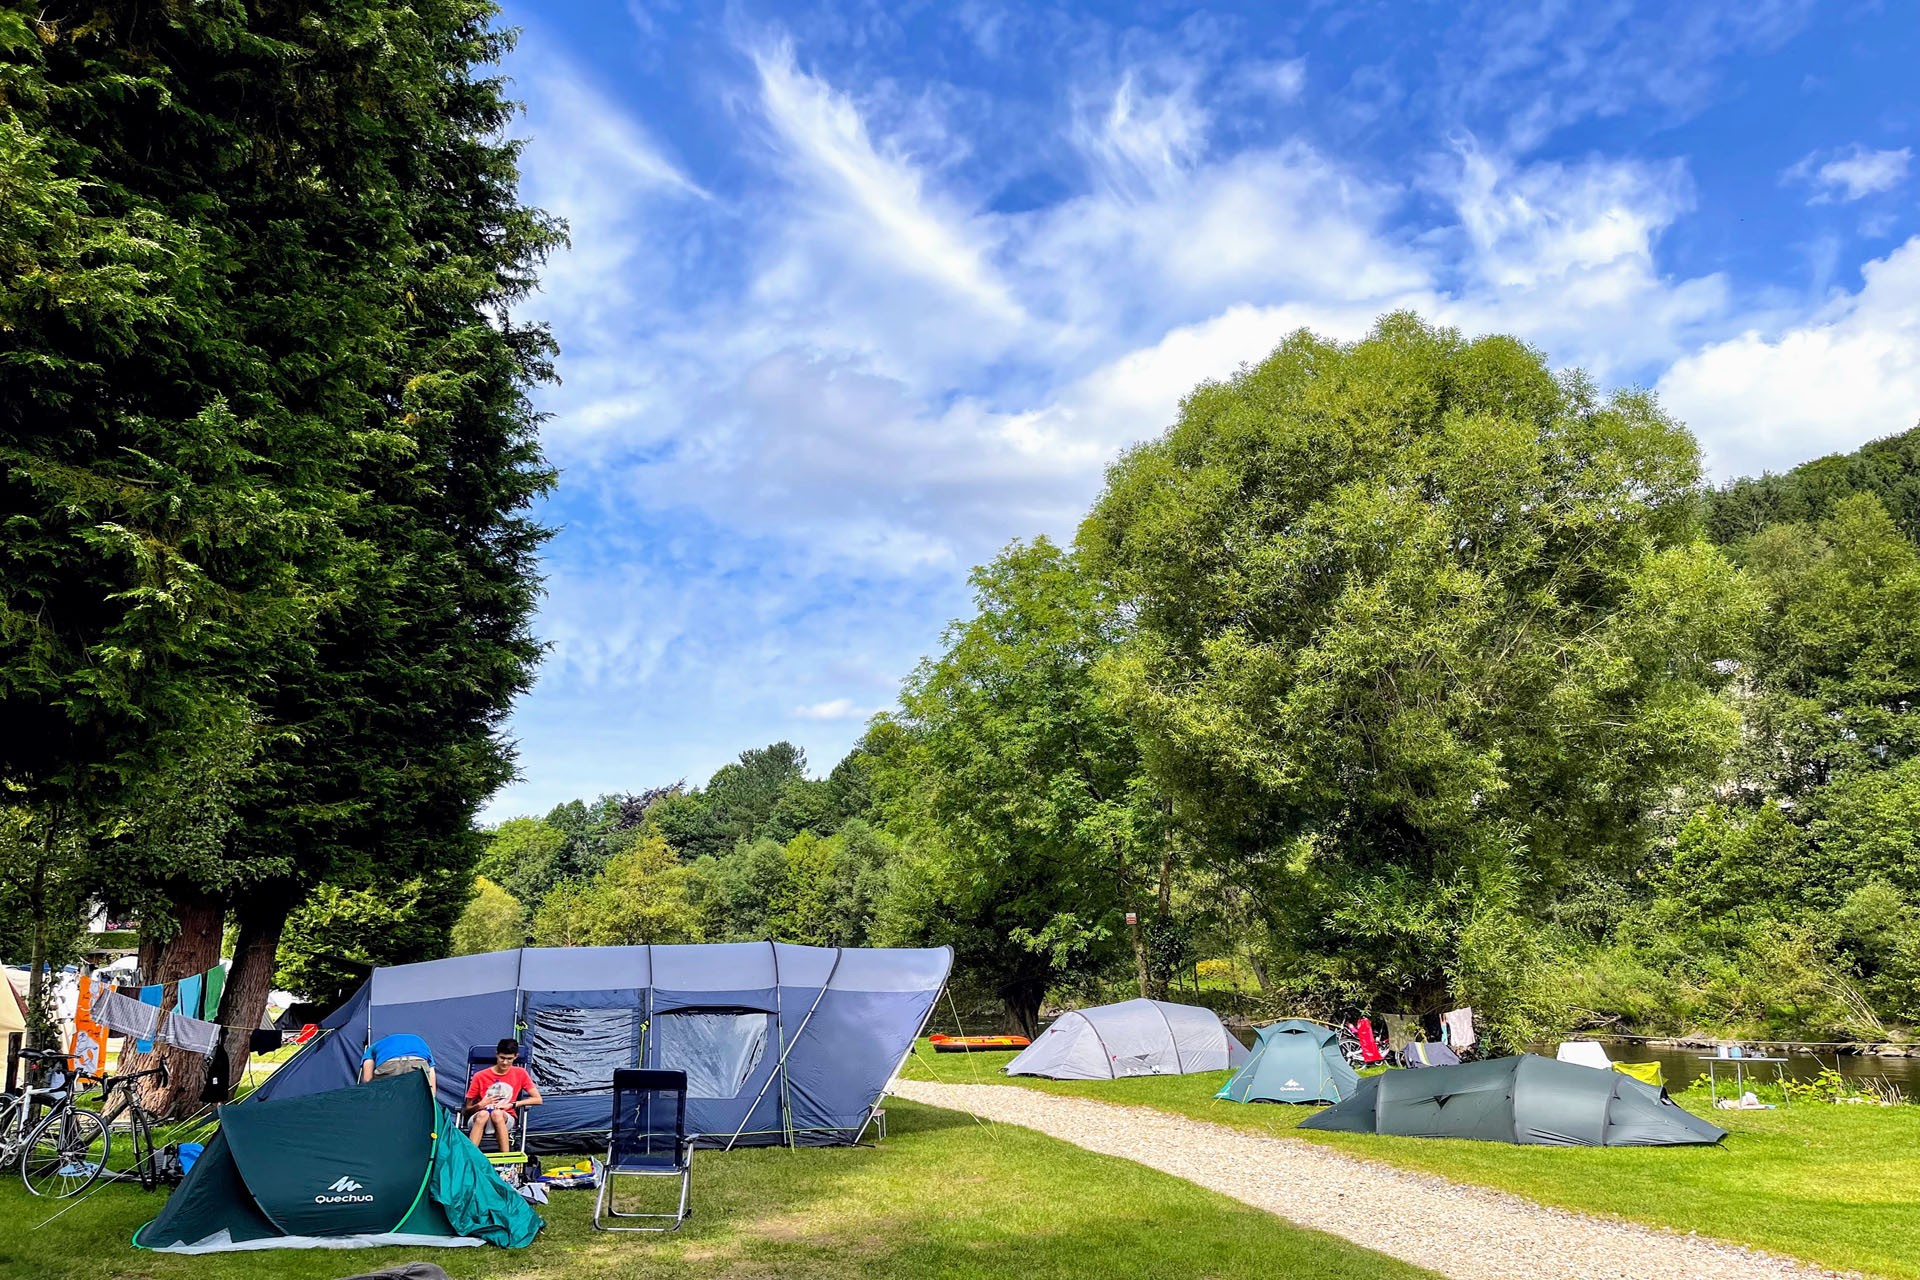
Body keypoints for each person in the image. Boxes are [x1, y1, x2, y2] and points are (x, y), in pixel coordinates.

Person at [464, 1037, 541, 1152]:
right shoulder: (480, 1076)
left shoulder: (520, 1073)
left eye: (509, 1059)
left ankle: (506, 1159)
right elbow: (466, 1110)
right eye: (502, 1058)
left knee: (497, 1114)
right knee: (483, 1114)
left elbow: (538, 1099)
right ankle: (470, 1158)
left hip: (505, 1117)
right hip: (480, 1118)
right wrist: (480, 1105)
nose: (505, 1062)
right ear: (497, 1055)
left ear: (515, 1056)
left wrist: (512, 1104)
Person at [360, 1031, 437, 1094]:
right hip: (418, 1061)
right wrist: (432, 1096)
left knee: (385, 1097)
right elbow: (431, 1076)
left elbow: (367, 1079)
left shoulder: (374, 1046)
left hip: (389, 1064)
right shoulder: (421, 1043)